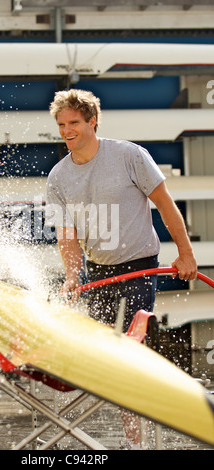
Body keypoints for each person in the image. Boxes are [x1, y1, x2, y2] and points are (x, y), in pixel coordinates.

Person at [45, 88, 197, 448]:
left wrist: (186, 254)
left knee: (130, 354)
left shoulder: (129, 155)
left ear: (92, 121)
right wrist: (71, 276)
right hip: (99, 273)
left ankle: (138, 441)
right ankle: (128, 434)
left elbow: (165, 203)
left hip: (140, 267)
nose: (68, 130)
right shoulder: (57, 177)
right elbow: (66, 236)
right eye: (62, 124)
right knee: (108, 361)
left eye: (75, 123)